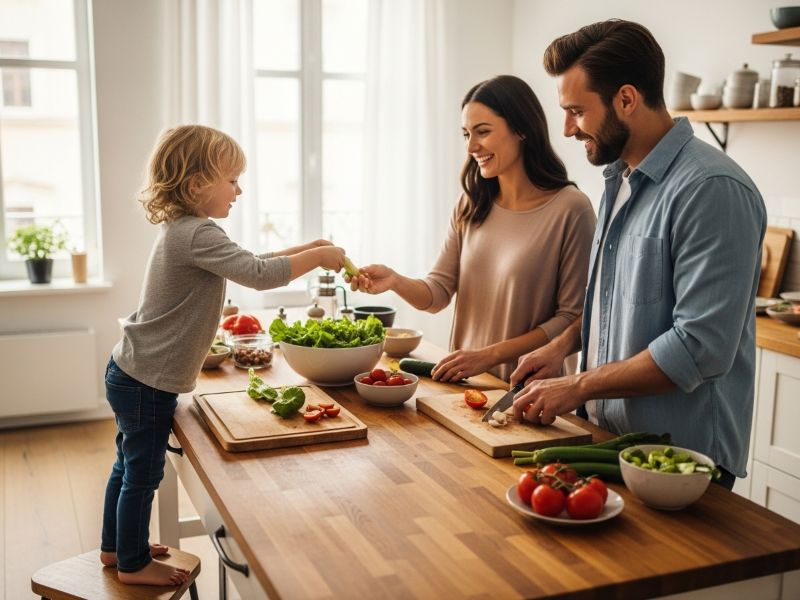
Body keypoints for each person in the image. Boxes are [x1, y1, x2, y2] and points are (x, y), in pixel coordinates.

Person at [510, 20, 766, 490]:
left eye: (576, 111)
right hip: (611, 445)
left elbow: (699, 347)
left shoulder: (712, 191)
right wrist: (563, 346)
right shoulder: (618, 180)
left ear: (626, 100)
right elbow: (612, 300)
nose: (567, 128)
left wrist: (579, 384)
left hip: (682, 465)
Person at [101, 125, 347, 586]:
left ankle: (116, 548)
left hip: (131, 370)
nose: (240, 189)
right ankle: (132, 564)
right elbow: (258, 273)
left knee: (126, 464)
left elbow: (250, 259)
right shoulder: (198, 233)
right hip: (148, 381)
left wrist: (310, 248)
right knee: (143, 472)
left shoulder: (188, 231)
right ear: (197, 185)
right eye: (232, 179)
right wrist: (319, 257)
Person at [348, 75, 595, 382]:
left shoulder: (571, 209)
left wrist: (490, 354)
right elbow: (437, 293)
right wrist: (395, 281)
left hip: (531, 395)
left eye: (483, 132)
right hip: (464, 387)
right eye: (466, 134)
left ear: (521, 130)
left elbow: (571, 319)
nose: (471, 146)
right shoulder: (472, 203)